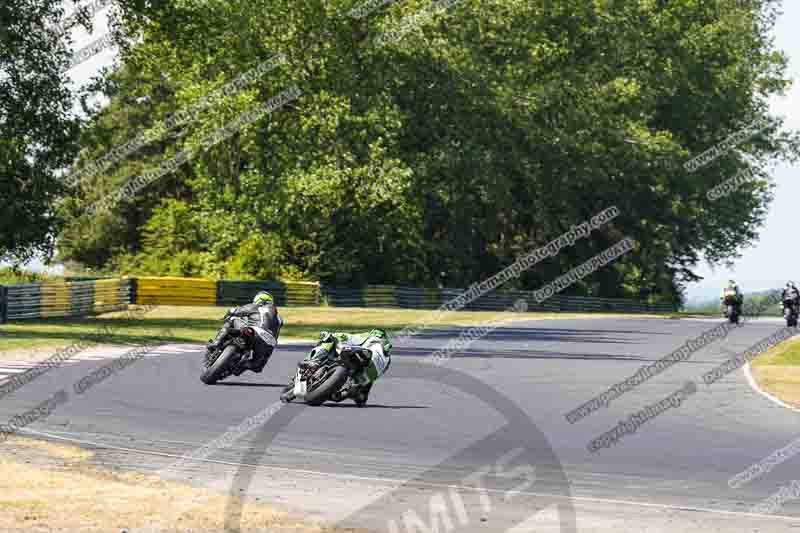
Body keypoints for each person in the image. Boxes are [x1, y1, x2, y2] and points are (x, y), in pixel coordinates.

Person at [285, 328, 392, 406]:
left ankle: (315, 361)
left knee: (328, 340)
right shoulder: (385, 360)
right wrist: (359, 394)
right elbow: (370, 384)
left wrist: (330, 335)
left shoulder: (370, 339)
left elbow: (343, 336)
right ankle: (315, 362)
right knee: (356, 396)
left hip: (355, 366)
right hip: (356, 370)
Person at [206, 291, 283, 373]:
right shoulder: (279, 318)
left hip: (254, 331)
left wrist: (226, 316)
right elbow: (276, 332)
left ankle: (216, 343)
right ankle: (241, 366)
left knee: (233, 319)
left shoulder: (256, 306)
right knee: (257, 366)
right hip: (269, 341)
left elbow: (234, 311)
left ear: (258, 299)